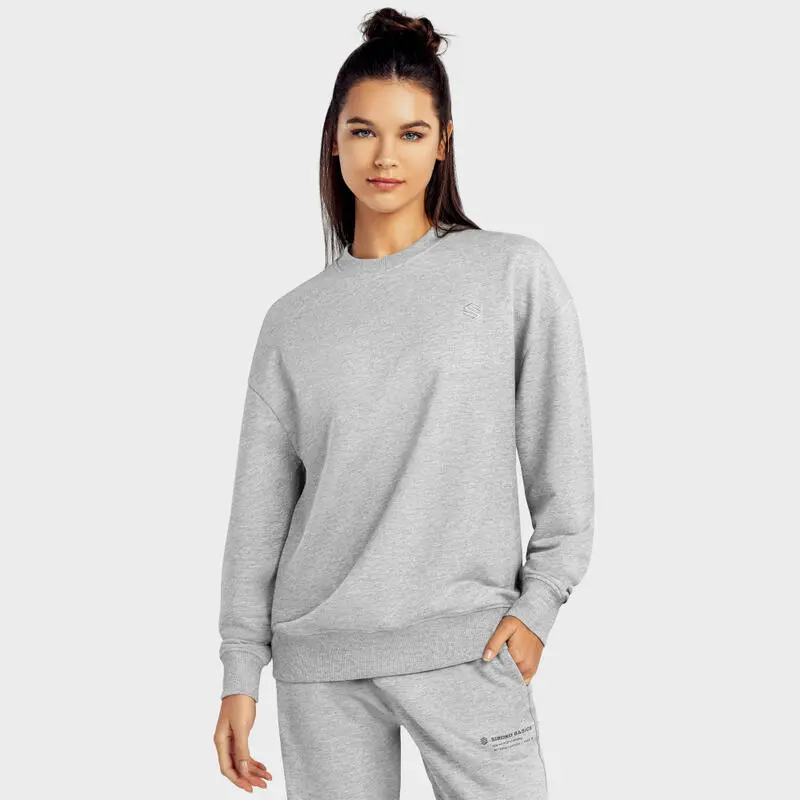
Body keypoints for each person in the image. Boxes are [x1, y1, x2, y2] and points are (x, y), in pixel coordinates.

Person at [213, 8, 595, 798]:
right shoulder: (292, 321)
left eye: (411, 133)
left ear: (443, 142)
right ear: (334, 139)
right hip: (320, 666)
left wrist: (541, 603)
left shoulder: (510, 274)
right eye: (363, 131)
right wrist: (240, 671)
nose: (385, 156)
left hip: (469, 649)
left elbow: (561, 459)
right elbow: (260, 512)